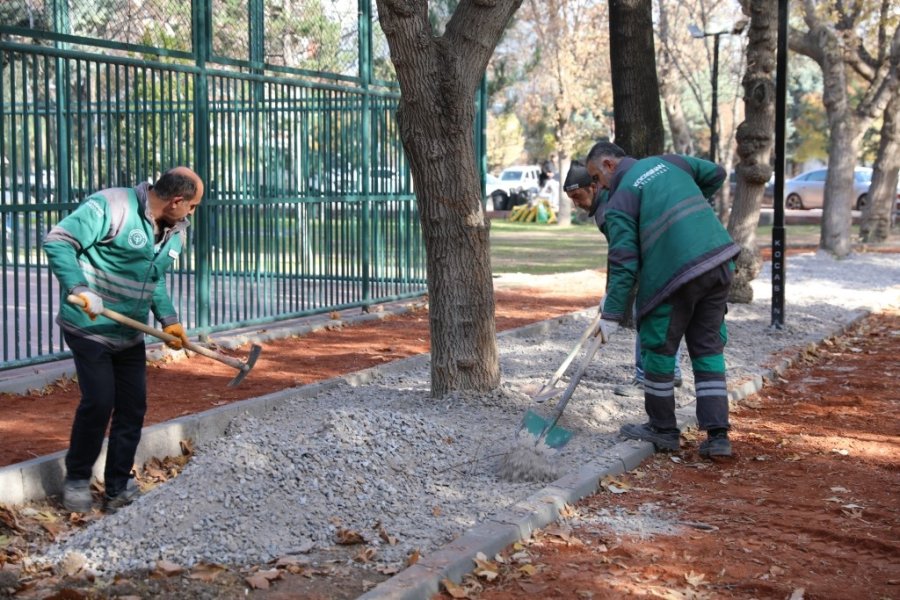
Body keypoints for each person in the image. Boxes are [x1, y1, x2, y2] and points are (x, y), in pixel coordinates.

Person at [44, 167, 203, 512]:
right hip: (89, 325)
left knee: (132, 407)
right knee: (99, 402)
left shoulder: (176, 231)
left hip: (130, 332)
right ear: (177, 200)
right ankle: (76, 481)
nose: (193, 213)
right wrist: (79, 287)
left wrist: (170, 321)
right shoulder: (112, 205)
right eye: (192, 206)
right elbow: (58, 239)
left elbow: (154, 279)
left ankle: (117, 487)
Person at [584, 142, 739, 458]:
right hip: (717, 260)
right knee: (708, 349)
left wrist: (612, 315)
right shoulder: (672, 162)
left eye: (597, 177)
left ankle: (662, 428)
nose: (598, 186)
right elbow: (717, 173)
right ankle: (718, 435)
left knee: (658, 347)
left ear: (610, 165)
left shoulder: (620, 200)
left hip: (674, 274)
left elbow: (624, 262)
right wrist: (686, 208)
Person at [563, 161, 683, 395]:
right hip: (667, 257)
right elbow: (617, 253)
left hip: (657, 260)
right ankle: (672, 371)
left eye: (578, 196)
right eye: (572, 199)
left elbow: (624, 255)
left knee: (646, 312)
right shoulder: (606, 205)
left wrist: (613, 301)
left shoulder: (609, 209)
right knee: (662, 315)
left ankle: (645, 377)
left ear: (594, 187)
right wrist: (610, 292)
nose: (576, 204)